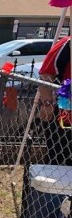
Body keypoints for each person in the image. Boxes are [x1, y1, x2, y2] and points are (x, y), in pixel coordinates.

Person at [37, 36, 72, 166]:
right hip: (66, 106)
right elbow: (46, 74)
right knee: (62, 152)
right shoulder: (68, 44)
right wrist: (47, 103)